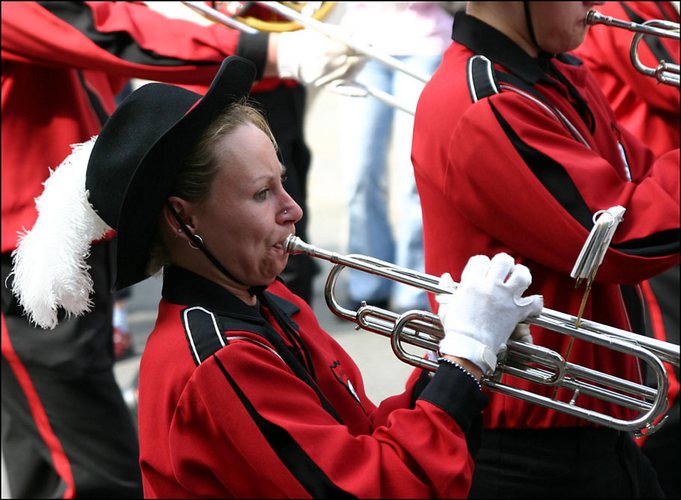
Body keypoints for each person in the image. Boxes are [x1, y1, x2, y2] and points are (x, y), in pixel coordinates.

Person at [11, 56, 544, 498]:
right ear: (182, 219)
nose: (293, 210)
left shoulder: (270, 301)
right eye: (262, 193)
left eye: (283, 184)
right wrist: (465, 357)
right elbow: (376, 487)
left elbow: (360, 438)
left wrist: (447, 364)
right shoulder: (218, 359)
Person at [1, 2, 361, 497]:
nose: (293, 210)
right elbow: (101, 29)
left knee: (43, 450)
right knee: (90, 470)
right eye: (265, 193)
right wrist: (265, 49)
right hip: (18, 239)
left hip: (63, 228)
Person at [411, 1, 680, 498]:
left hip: (593, 422)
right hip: (531, 446)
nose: (595, 2)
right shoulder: (485, 105)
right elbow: (620, 240)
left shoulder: (556, 76)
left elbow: (640, 177)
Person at [574, 2, 680, 497]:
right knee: (669, 373)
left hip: (666, 193)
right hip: (651, 202)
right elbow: (667, 82)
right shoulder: (622, 10)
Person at [337, 2, 455, 313]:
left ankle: (413, 289)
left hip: (425, 40)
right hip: (360, 43)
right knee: (359, 174)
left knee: (414, 177)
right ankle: (368, 281)